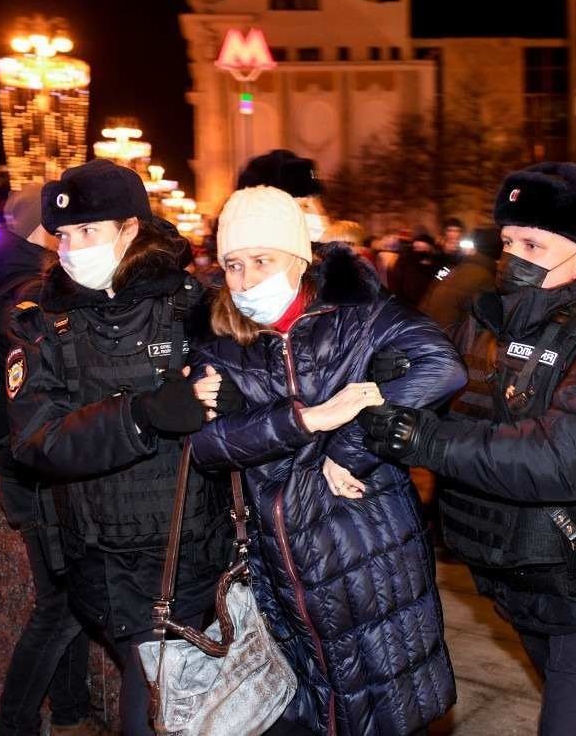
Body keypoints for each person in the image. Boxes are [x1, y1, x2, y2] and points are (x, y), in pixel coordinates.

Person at [362, 162, 576, 736]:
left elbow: (564, 457)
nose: (512, 255)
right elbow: (457, 395)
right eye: (510, 240)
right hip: (521, 571)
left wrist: (428, 441)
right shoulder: (496, 318)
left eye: (533, 243)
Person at [188, 185, 464, 736]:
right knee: (310, 706)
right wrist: (308, 420)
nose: (245, 281)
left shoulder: (358, 316)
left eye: (261, 261)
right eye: (233, 266)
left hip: (366, 544)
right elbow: (207, 447)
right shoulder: (218, 340)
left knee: (386, 703)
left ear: (300, 256)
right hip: (279, 560)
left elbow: (442, 367)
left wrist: (350, 447)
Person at [5, 160, 233, 736]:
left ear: (130, 229)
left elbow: (258, 379)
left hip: (189, 550)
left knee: (163, 702)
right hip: (101, 557)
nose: (71, 247)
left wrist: (224, 397)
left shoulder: (194, 306)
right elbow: (38, 438)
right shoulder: (40, 322)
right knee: (155, 696)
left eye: (88, 231)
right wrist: (145, 414)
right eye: (63, 235)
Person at [0, 182, 98, 736]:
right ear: (44, 231)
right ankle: (15, 723)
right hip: (39, 476)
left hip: (39, 471)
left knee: (68, 599)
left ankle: (71, 712)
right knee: (63, 605)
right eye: (66, 228)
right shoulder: (27, 292)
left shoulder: (12, 280)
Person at [420, 227, 503, 338]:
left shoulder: (454, 268)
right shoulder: (487, 279)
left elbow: (428, 297)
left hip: (428, 337)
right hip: (450, 345)